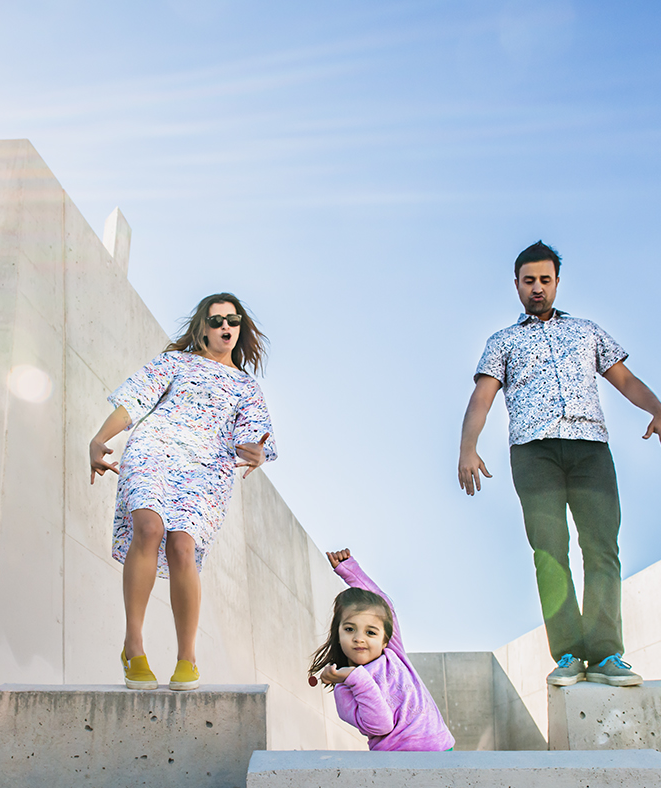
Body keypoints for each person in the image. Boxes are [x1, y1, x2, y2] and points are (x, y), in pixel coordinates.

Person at [457, 241, 661, 688]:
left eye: (545, 280)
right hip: (533, 453)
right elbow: (482, 397)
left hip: (590, 448)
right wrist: (468, 447)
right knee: (550, 552)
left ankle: (607, 653)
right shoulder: (503, 341)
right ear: (516, 284)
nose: (537, 288)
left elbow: (625, 379)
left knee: (601, 548)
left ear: (556, 282)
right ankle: (570, 654)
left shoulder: (587, 331)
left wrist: (659, 410)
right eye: (528, 281)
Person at [90, 292, 276, 691]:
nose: (225, 326)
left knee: (182, 548)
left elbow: (252, 441)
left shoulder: (247, 387)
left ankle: (186, 657)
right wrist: (99, 439)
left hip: (206, 467)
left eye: (233, 320)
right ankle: (134, 646)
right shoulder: (176, 362)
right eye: (216, 320)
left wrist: (256, 453)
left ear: (240, 329)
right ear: (202, 329)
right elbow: (134, 401)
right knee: (149, 528)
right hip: (154, 449)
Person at [309, 549, 455, 751]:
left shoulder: (393, 653)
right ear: (338, 635)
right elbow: (379, 725)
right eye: (350, 629)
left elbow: (383, 605)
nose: (359, 638)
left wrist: (349, 570)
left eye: (370, 632)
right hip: (397, 761)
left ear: (385, 639)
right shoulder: (344, 690)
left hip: (440, 748)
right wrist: (354, 676)